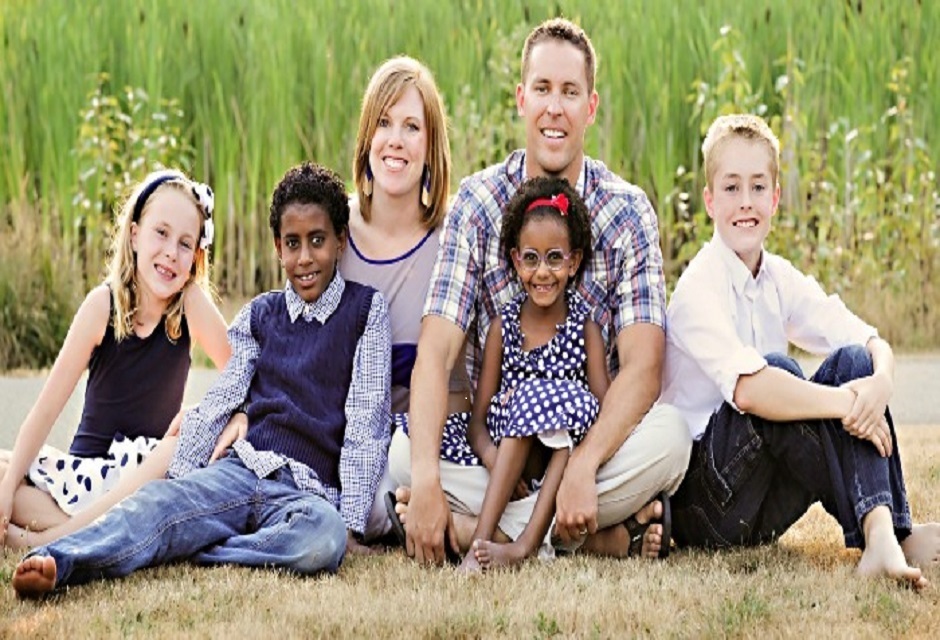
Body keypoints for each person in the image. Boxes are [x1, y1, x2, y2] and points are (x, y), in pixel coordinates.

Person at [11, 162, 392, 598]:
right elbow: (224, 396)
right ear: (277, 248)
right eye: (293, 243)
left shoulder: (365, 312)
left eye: (318, 241)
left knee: (323, 540)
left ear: (341, 241)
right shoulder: (260, 315)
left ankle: (198, 549)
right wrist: (183, 479)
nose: (305, 257)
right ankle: (64, 560)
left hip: (304, 491)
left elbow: (366, 425)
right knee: (158, 505)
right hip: (238, 470)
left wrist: (353, 526)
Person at [389, 17, 691, 566]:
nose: (555, 108)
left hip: (595, 450)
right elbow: (435, 352)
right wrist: (430, 479)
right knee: (403, 459)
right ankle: (595, 535)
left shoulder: (627, 213)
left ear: (591, 107)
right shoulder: (477, 204)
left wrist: (581, 465)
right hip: (498, 451)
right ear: (521, 99)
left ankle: (479, 530)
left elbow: (644, 369)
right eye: (544, 90)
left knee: (672, 439)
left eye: (570, 92)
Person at [661, 113, 940, 590]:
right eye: (731, 188)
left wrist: (880, 382)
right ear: (709, 200)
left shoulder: (777, 276)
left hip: (763, 500)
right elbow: (749, 392)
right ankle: (895, 531)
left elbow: (866, 338)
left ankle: (883, 538)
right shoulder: (697, 288)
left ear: (776, 197)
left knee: (852, 362)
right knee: (777, 371)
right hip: (707, 506)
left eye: (757, 187)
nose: (745, 203)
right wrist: (851, 405)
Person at [0, 169, 230, 547]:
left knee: (178, 443)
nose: (171, 252)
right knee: (3, 472)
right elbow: (44, 412)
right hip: (83, 477)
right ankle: (88, 528)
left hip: (144, 478)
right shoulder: (101, 306)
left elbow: (244, 374)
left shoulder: (190, 305)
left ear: (195, 258)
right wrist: (9, 489)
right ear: (135, 235)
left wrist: (202, 411)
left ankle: (49, 539)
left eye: (186, 243)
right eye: (161, 233)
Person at [446, 177, 609, 571]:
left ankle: (519, 546)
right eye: (531, 258)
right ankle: (486, 540)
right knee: (418, 447)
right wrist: (493, 457)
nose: (542, 272)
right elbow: (478, 420)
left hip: (561, 462)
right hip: (510, 461)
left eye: (555, 258)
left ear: (573, 262)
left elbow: (606, 407)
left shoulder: (585, 330)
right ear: (517, 261)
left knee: (560, 414)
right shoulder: (504, 327)